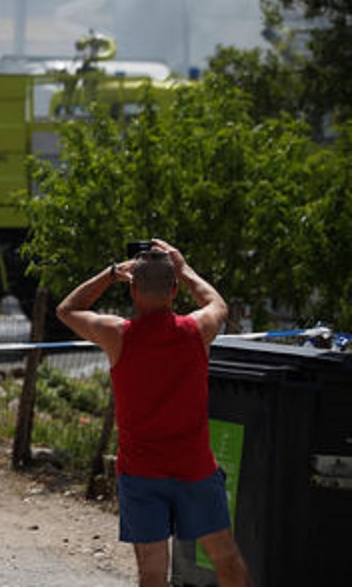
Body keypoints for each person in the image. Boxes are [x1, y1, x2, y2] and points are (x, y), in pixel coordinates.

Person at [55, 239, 251, 587]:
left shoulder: (117, 335)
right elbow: (216, 303)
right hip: (195, 469)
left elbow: (67, 309)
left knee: (152, 574)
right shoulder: (196, 331)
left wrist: (112, 272)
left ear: (133, 290)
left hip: (141, 472)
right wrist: (184, 267)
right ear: (174, 290)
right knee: (228, 561)